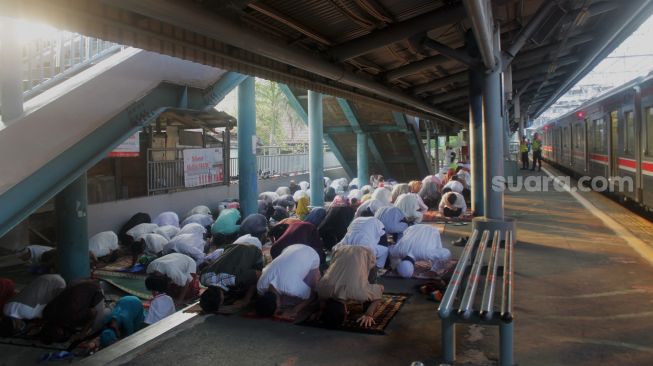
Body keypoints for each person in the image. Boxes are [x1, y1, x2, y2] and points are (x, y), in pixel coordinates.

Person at [316, 246, 384, 329]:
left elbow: (381, 289)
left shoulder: (359, 293)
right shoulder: (322, 290)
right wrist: (321, 310)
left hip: (365, 252)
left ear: (346, 311)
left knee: (367, 302)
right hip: (340, 249)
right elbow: (321, 301)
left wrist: (368, 314)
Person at [256, 244, 320, 320]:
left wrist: (294, 310)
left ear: (278, 304)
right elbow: (263, 301)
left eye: (278, 308)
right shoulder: (260, 286)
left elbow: (312, 296)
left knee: (314, 287)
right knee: (289, 300)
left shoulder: (291, 288)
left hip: (310, 253)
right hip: (289, 249)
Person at [198, 239, 264, 312]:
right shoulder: (203, 278)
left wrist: (246, 300)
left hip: (253, 249)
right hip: (231, 247)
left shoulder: (235, 278)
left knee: (253, 288)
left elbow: (259, 275)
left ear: (221, 298)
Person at [40, 280, 105, 344]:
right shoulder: (46, 313)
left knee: (96, 325)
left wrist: (82, 333)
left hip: (95, 288)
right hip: (76, 283)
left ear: (60, 331)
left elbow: (93, 312)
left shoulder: (72, 317)